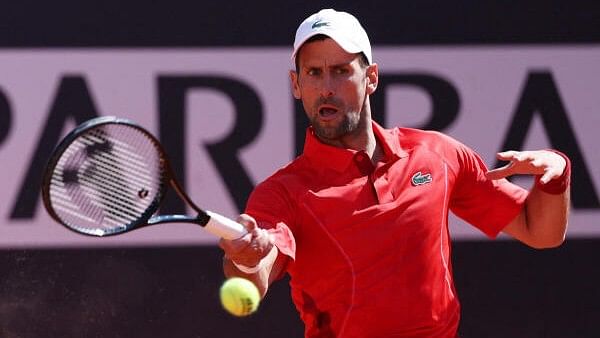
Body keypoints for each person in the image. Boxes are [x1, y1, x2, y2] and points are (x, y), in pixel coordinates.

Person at [219, 8, 570, 338]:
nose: (326, 87)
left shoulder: (437, 154)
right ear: (296, 85)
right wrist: (247, 260)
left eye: (341, 71)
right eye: (313, 73)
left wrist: (556, 175)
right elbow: (258, 274)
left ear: (371, 78)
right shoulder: (282, 193)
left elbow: (539, 231)